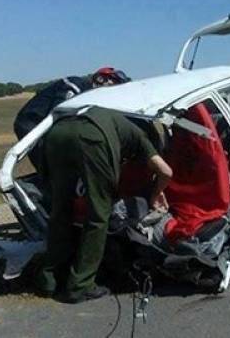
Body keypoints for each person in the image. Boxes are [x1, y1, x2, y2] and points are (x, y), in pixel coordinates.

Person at [35, 106, 172, 303]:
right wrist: (157, 193)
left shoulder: (115, 118)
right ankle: (80, 285)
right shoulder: (141, 136)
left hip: (56, 133)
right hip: (92, 138)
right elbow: (165, 171)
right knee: (98, 216)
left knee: (61, 211)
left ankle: (48, 280)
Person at [13, 67, 130, 166]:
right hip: (32, 121)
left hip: (45, 123)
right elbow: (61, 110)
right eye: (114, 83)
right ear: (100, 78)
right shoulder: (77, 84)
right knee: (51, 163)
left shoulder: (92, 97)